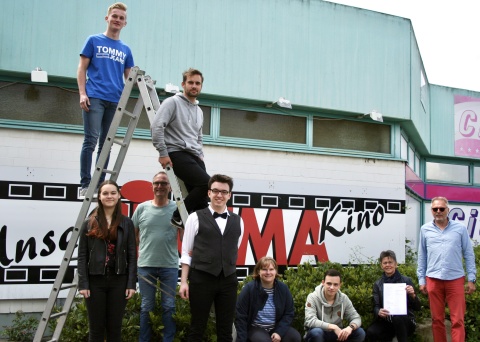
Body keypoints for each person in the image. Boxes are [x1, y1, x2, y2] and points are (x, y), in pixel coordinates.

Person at [78, 2, 134, 197]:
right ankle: (85, 184)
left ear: (125, 23)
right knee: (91, 140)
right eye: (115, 16)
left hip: (115, 100)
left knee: (106, 143)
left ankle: (99, 184)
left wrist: (144, 82)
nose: (117, 20)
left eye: (121, 18)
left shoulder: (126, 49)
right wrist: (82, 93)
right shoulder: (93, 40)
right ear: (107, 18)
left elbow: (129, 78)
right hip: (95, 96)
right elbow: (82, 68)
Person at [178, 174, 244, 341]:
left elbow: (234, 248)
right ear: (209, 193)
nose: (219, 195)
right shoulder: (195, 217)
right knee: (197, 328)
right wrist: (184, 282)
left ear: (229, 195)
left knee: (225, 330)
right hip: (201, 278)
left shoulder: (238, 221)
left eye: (224, 192)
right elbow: (186, 252)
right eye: (215, 191)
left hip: (228, 280)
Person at [77, 180, 137, 341]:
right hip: (95, 281)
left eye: (112, 193)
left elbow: (132, 254)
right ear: (100, 197)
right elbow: (82, 255)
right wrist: (83, 284)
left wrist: (131, 283)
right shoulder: (88, 223)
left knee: (115, 329)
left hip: (119, 281)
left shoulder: (127, 223)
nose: (109, 196)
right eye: (105, 193)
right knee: (96, 329)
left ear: (118, 196)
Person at [151, 68, 210, 229]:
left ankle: (198, 229)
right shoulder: (172, 102)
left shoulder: (199, 110)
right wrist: (162, 153)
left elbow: (199, 136)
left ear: (201, 87)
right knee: (207, 184)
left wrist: (201, 154)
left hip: (195, 156)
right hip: (176, 153)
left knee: (203, 200)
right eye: (190, 82)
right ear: (183, 84)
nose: (194, 86)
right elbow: (156, 127)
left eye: (197, 83)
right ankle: (178, 216)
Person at [417, 196, 476, 342]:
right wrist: (421, 279)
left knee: (458, 320)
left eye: (441, 208)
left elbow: (469, 254)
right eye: (435, 209)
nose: (438, 211)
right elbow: (422, 255)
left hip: (455, 279)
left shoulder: (460, 229)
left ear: (447, 210)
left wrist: (471, 278)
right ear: (431, 211)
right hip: (433, 279)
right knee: (436, 320)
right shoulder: (425, 230)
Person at [132, 171, 182, 342]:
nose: (160, 186)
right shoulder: (142, 208)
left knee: (169, 306)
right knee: (147, 307)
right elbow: (134, 236)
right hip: (146, 265)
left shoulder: (177, 208)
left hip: (170, 265)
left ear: (170, 187)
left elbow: (184, 236)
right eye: (157, 183)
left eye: (164, 183)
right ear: (152, 186)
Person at [235, 256, 302, 342]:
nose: (268, 272)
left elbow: (289, 313)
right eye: (264, 269)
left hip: (276, 327)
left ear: (276, 271)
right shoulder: (249, 289)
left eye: (271, 269)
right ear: (258, 271)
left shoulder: (283, 289)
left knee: (295, 337)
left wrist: (279, 332)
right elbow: (241, 316)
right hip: (256, 328)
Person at [366, 250, 421, 342]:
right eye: (385, 263)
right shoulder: (377, 284)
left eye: (390, 262)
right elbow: (376, 306)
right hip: (387, 320)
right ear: (381, 265)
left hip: (406, 320)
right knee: (371, 331)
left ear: (396, 264)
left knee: (397, 317)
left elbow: (418, 307)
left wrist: (412, 295)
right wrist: (378, 312)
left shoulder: (407, 280)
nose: (388, 265)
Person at [304, 269, 365, 342]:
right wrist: (333, 327)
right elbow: (310, 320)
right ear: (323, 283)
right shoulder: (313, 297)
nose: (332, 287)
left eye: (335, 284)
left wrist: (350, 328)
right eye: (329, 283)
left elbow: (356, 318)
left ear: (340, 285)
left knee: (360, 333)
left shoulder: (343, 298)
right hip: (321, 333)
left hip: (338, 334)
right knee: (316, 333)